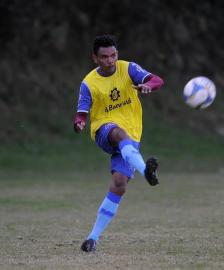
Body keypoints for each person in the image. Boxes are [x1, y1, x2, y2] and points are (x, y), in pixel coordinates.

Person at [73, 34, 164, 252]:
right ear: (95, 58)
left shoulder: (128, 69)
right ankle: (146, 172)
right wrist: (79, 123)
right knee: (118, 133)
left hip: (132, 135)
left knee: (119, 184)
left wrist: (148, 86)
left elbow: (158, 80)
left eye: (113, 55)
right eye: (104, 57)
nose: (110, 60)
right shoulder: (88, 83)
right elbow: (82, 113)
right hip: (103, 130)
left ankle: (92, 239)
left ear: (117, 54)